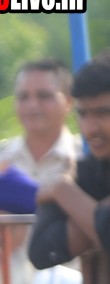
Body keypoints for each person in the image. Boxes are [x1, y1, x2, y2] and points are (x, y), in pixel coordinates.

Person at [30, 50, 110, 269]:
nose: (90, 128)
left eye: (103, 113)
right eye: (82, 114)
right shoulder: (81, 173)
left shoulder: (65, 184)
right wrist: (97, 215)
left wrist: (63, 192)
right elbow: (42, 252)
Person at [0, 59, 77, 183]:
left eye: (44, 96)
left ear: (68, 102)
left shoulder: (84, 157)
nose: (32, 105)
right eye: (23, 97)